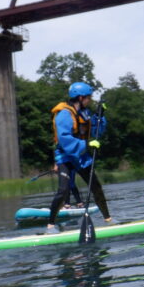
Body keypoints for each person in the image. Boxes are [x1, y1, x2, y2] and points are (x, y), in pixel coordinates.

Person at [47, 82, 113, 232]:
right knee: (63, 191)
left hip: (81, 158)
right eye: (89, 97)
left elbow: (96, 131)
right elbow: (64, 139)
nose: (90, 100)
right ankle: (50, 226)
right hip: (65, 157)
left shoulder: (85, 113)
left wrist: (100, 116)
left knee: (96, 188)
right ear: (81, 97)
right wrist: (87, 145)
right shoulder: (64, 114)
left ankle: (108, 219)